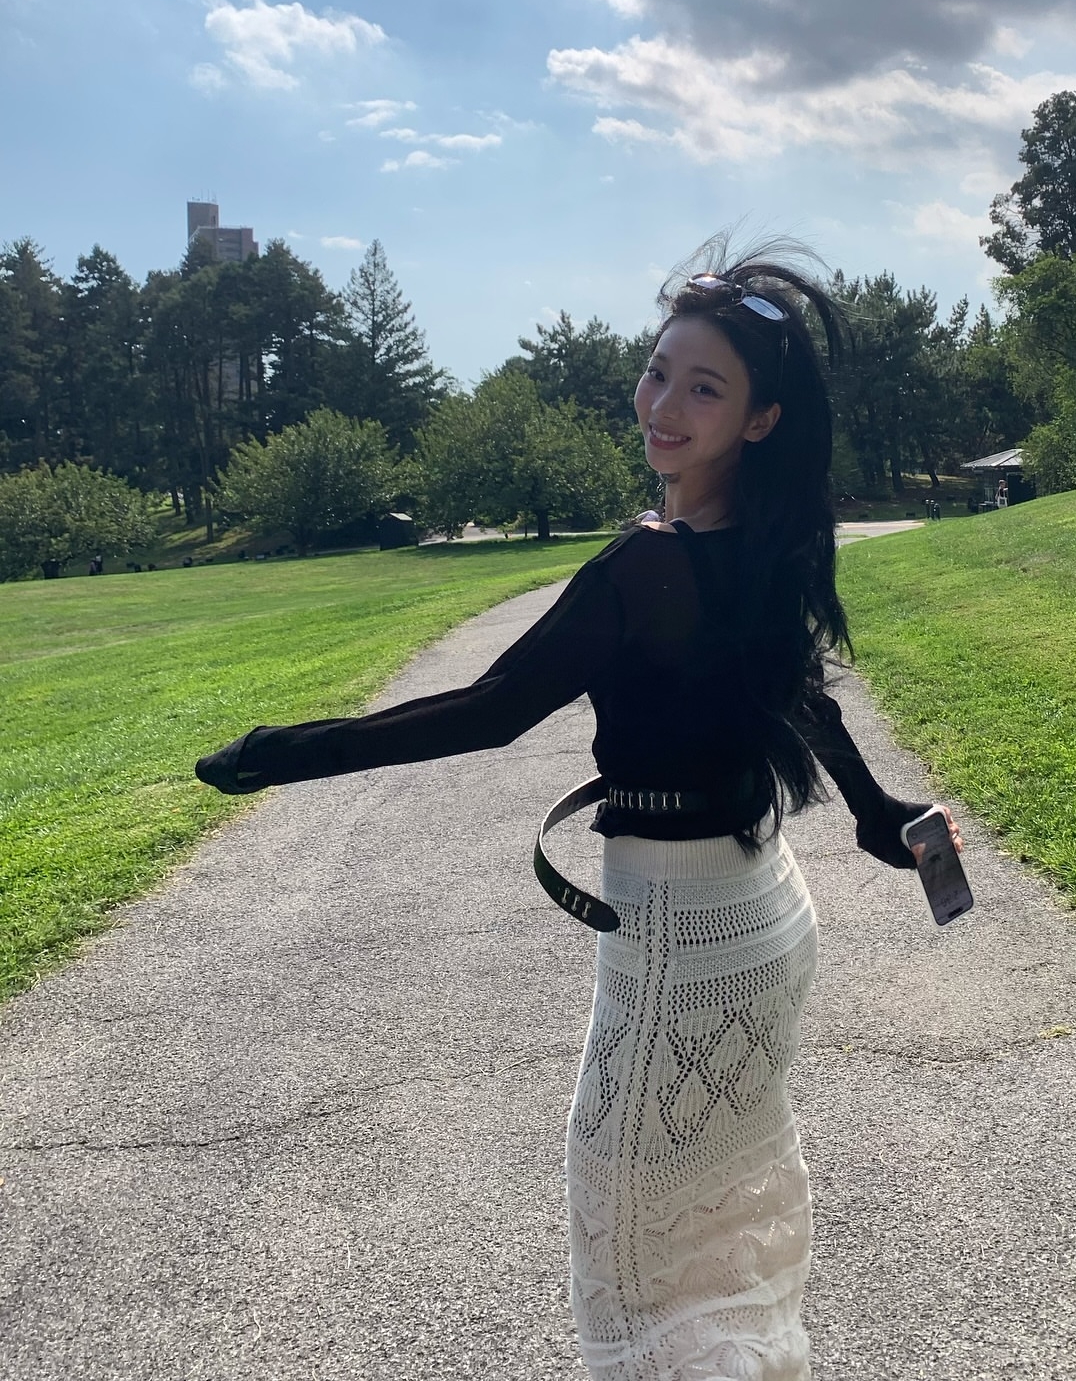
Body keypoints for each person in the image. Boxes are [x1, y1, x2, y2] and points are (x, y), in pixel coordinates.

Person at [195, 245, 962, 1381]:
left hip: (680, 935)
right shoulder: (768, 544)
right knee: (721, 1218)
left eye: (705, 388)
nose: (664, 406)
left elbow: (492, 710)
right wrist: (873, 811)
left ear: (759, 420)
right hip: (764, 918)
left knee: (636, 1260)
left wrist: (280, 752)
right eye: (659, 373)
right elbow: (805, 692)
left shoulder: (647, 567)